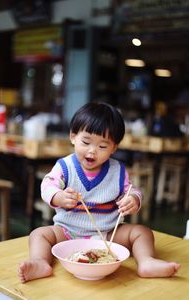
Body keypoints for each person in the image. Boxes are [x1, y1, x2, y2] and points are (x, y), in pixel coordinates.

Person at [18, 102, 180, 283]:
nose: (92, 151)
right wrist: (58, 196)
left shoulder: (117, 171)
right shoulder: (65, 166)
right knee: (38, 234)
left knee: (143, 232)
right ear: (73, 136)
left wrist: (133, 199)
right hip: (67, 232)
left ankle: (146, 262)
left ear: (114, 148)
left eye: (103, 146)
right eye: (86, 142)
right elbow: (47, 185)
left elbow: (131, 190)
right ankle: (40, 262)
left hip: (109, 234)